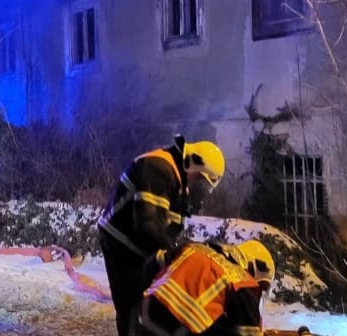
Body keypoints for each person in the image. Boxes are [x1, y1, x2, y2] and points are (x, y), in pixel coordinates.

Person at [98, 135, 226, 336]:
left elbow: (166, 225)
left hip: (136, 242)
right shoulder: (158, 168)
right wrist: (177, 253)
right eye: (200, 178)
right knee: (130, 300)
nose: (197, 184)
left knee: (146, 297)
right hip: (120, 241)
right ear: (192, 163)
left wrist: (175, 250)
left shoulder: (176, 175)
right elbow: (148, 225)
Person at [138, 239, 275, 336]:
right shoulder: (242, 281)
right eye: (261, 285)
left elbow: (150, 265)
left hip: (146, 313)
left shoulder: (192, 248)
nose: (257, 289)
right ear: (253, 267)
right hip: (179, 329)